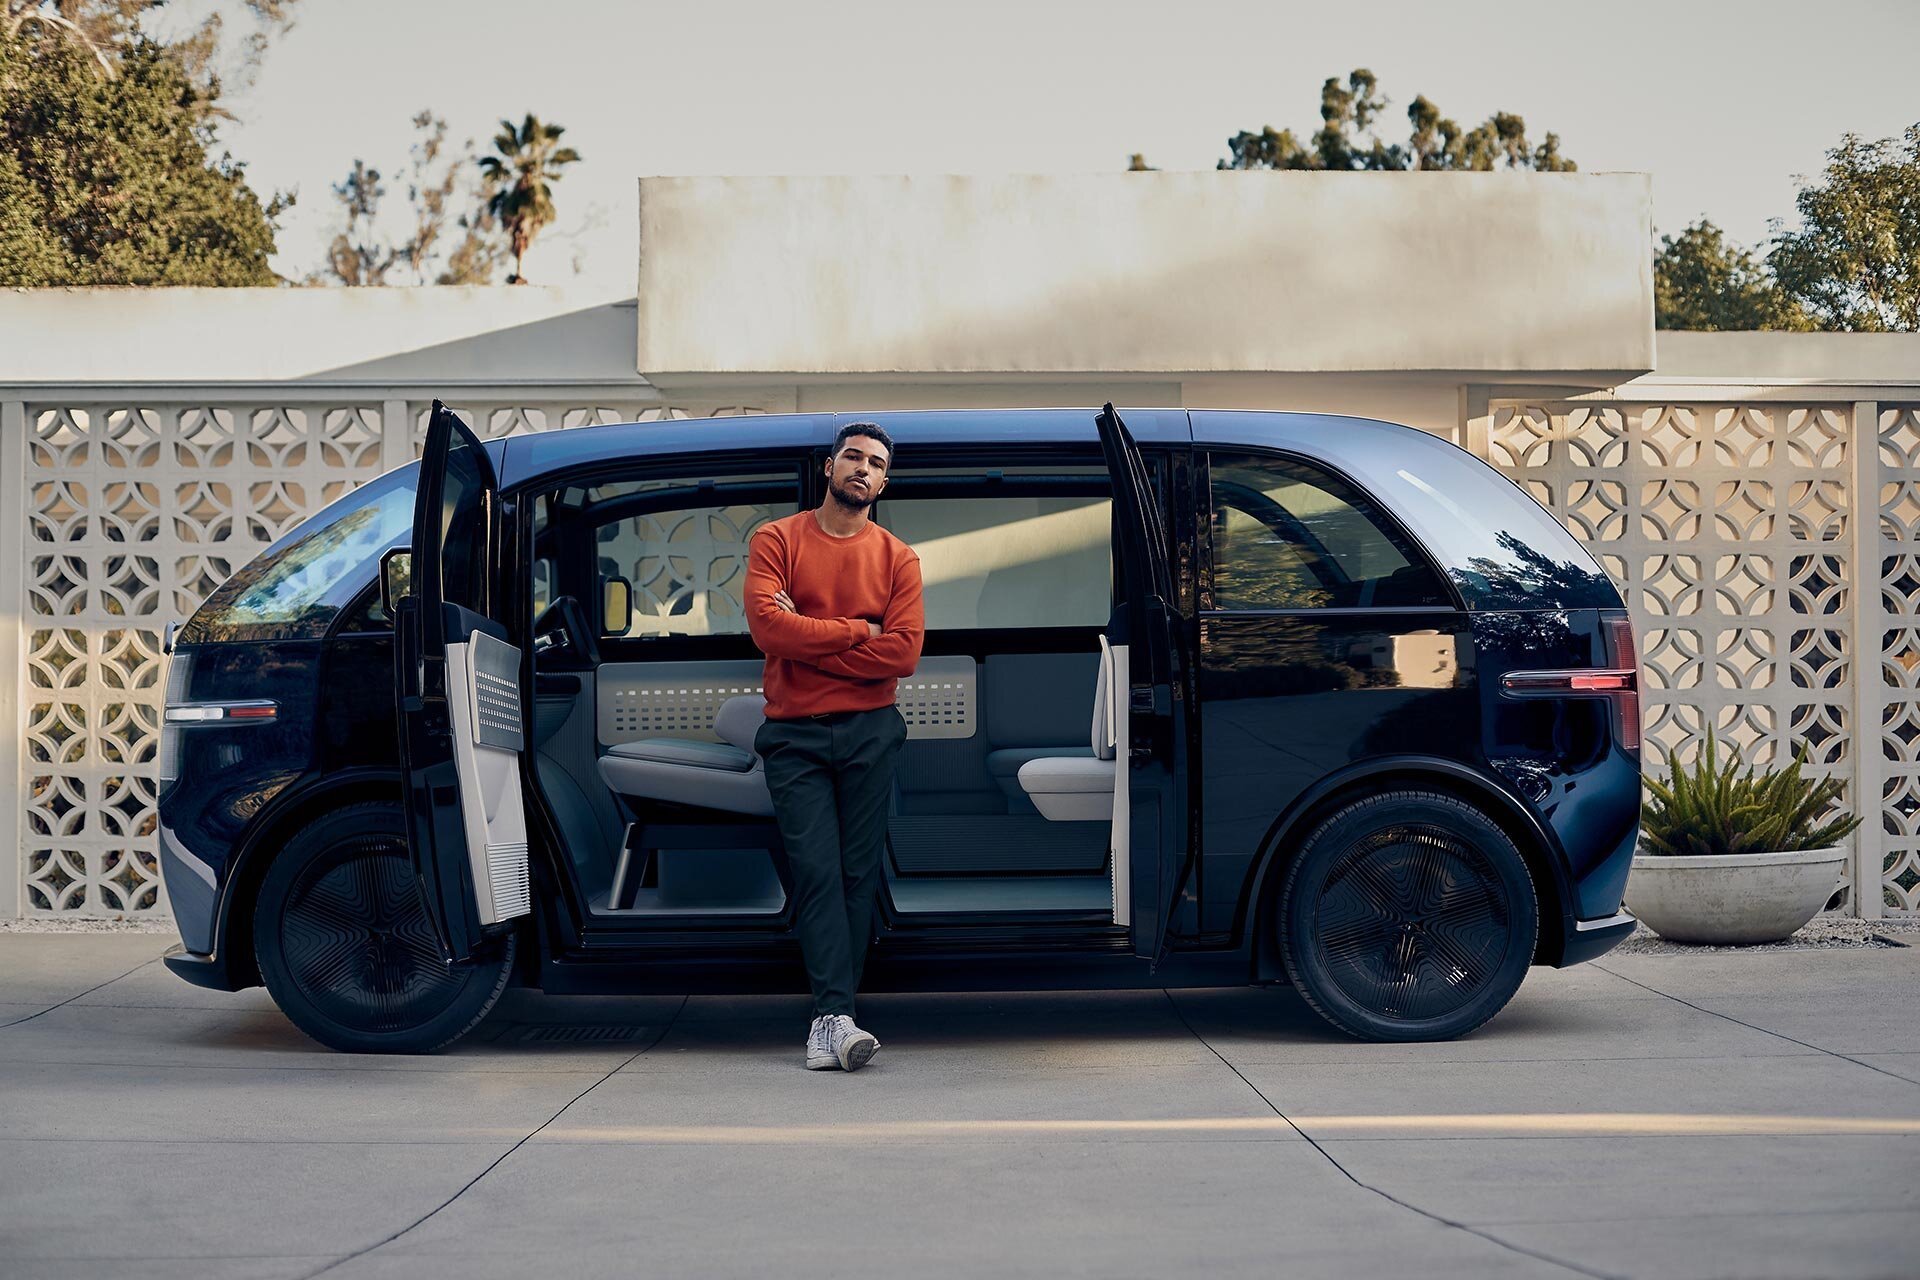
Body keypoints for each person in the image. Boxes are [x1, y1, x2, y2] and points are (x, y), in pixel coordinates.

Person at [745, 422, 924, 1071]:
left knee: (856, 874)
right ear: (829, 467)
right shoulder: (777, 539)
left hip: (871, 732)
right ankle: (834, 1016)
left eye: (876, 462)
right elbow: (768, 627)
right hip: (793, 735)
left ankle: (833, 1016)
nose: (863, 468)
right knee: (816, 870)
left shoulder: (898, 558)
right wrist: (856, 631)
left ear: (884, 480)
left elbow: (902, 653)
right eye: (853, 456)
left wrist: (810, 641)